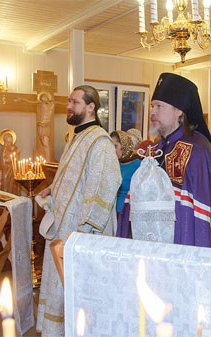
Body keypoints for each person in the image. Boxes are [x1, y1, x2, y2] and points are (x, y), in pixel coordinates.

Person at [117, 73, 211, 255]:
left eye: (159, 106)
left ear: (179, 111)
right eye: (152, 106)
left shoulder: (197, 151)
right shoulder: (153, 150)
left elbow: (201, 217)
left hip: (182, 247)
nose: (152, 112)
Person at [36, 85, 121, 336]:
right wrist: (53, 188)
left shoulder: (101, 142)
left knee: (82, 295)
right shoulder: (77, 137)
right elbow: (75, 175)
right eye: (69, 102)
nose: (69, 106)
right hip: (65, 228)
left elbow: (103, 184)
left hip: (81, 233)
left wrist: (84, 231)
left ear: (91, 106)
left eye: (75, 102)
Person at [110, 130, 141, 214]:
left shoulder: (138, 165)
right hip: (112, 214)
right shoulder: (113, 165)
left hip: (128, 214)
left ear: (124, 146)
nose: (113, 150)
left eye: (115, 146)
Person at [0, 129, 21, 195]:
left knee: (15, 185)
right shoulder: (4, 149)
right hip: (6, 171)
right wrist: (16, 152)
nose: (8, 143)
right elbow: (5, 160)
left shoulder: (15, 148)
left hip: (14, 170)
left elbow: (17, 159)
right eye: (7, 142)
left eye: (10, 142)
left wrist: (17, 153)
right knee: (6, 187)